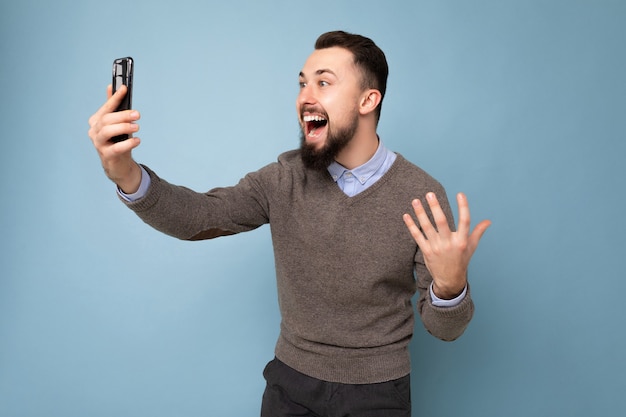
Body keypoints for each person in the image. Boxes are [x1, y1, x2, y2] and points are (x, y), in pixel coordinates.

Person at [88, 30, 490, 417]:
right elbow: (199, 217)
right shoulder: (283, 178)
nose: (305, 97)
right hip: (290, 389)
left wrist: (450, 288)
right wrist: (125, 173)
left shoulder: (423, 197)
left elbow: (445, 329)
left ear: (368, 100)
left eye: (323, 83)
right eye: (302, 84)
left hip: (379, 394)